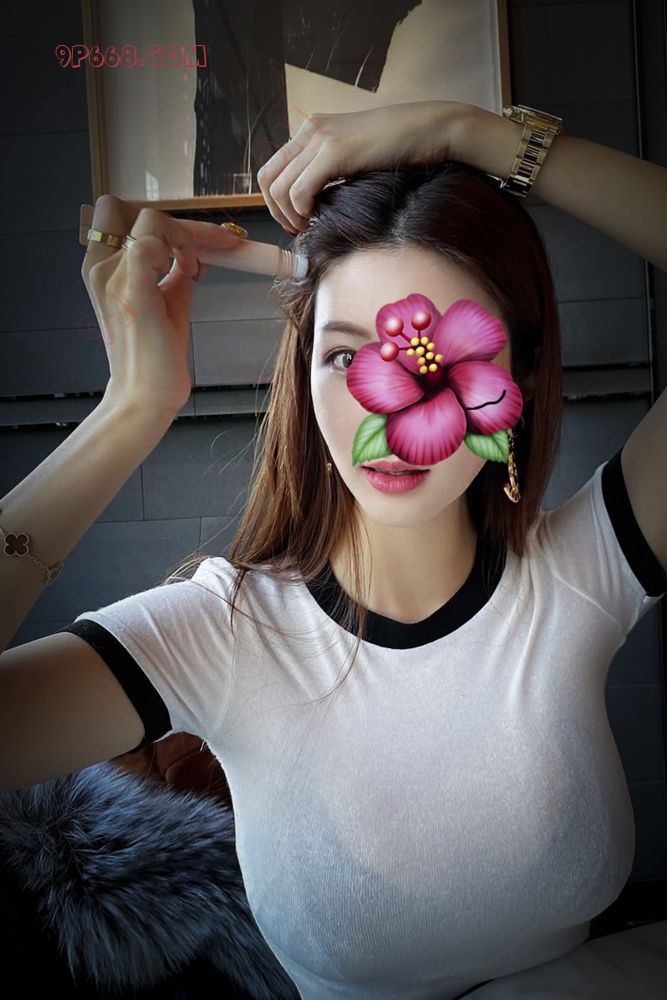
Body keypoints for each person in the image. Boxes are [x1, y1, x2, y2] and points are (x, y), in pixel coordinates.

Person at [1, 100, 666, 1000]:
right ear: (302, 369)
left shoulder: (584, 572)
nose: (392, 408)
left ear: (518, 371)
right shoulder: (220, 633)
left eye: (445, 361)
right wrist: (130, 410)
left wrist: (472, 132)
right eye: (346, 357)